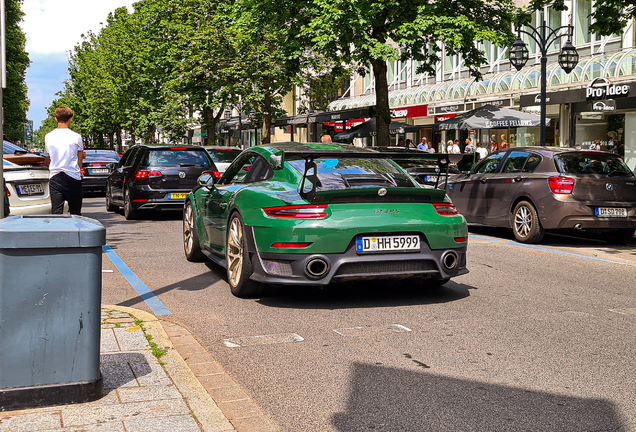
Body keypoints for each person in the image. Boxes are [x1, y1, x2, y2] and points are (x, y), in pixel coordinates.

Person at [44, 106, 85, 215]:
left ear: (56, 119)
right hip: (72, 177)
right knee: (75, 213)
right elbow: (80, 158)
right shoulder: (76, 137)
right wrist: (80, 169)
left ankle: (58, 231)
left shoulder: (48, 137)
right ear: (70, 118)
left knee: (56, 212)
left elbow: (46, 157)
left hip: (55, 176)